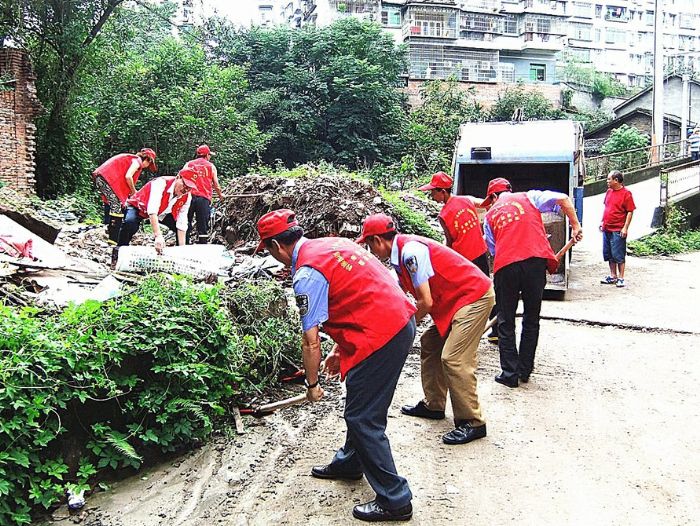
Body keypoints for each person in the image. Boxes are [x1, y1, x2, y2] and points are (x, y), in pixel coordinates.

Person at [256, 209, 416, 522]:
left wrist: (312, 384)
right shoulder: (332, 244)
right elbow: (356, 293)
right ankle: (349, 463)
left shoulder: (305, 275)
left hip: (382, 333)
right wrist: (340, 349)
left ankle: (395, 499)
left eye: (269, 250)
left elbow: (310, 341)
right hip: (394, 319)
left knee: (363, 416)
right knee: (359, 400)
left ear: (276, 246)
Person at [358, 213, 495, 446]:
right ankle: (434, 405)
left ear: (378, 241)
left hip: (473, 298)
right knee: (430, 343)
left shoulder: (411, 253)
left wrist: (403, 330)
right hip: (455, 301)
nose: (371, 250)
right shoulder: (398, 256)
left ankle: (472, 422)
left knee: (453, 358)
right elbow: (399, 296)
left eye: (369, 244)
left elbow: (425, 302)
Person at [481, 178, 583, 388]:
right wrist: (575, 225)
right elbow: (563, 198)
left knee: (505, 320)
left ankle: (510, 373)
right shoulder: (529, 197)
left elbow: (493, 250)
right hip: (536, 263)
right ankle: (525, 370)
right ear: (510, 190)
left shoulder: (490, 216)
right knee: (531, 318)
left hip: (506, 265)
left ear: (492, 196)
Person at [418, 171, 498, 343]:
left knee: (466, 293)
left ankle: (464, 325)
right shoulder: (466, 200)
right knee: (486, 287)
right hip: (480, 252)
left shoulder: (444, 215)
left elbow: (449, 241)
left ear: (443, 191)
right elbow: (486, 204)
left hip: (464, 259)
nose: (432, 196)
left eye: (433, 192)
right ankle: (496, 328)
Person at [117, 168, 197, 257]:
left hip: (162, 212)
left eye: (189, 188)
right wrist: (158, 236)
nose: (186, 189)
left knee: (187, 227)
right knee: (130, 223)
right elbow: (152, 210)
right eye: (185, 185)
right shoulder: (161, 183)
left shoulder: (187, 197)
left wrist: (182, 249)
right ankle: (119, 251)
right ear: (178, 177)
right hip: (139, 206)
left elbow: (181, 222)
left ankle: (179, 255)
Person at [92, 148, 157, 249]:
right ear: (147, 159)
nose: (146, 167)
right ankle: (113, 240)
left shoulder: (131, 159)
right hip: (106, 179)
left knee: (115, 205)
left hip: (103, 178)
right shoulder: (137, 161)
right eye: (149, 164)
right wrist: (134, 191)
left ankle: (110, 232)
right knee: (117, 208)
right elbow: (128, 176)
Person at [600, 170, 635, 288]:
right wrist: (602, 221)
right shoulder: (609, 192)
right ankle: (613, 275)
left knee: (618, 254)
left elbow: (630, 211)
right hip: (607, 227)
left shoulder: (626, 194)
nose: (607, 181)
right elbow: (607, 208)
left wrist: (625, 228)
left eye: (609, 179)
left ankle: (621, 277)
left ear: (616, 180)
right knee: (609, 253)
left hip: (618, 228)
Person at [183, 144, 225, 244]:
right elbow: (216, 184)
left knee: (186, 221)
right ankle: (203, 244)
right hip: (203, 198)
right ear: (207, 155)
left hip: (188, 197)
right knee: (203, 223)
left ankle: (184, 243)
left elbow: (180, 178)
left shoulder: (188, 164)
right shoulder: (211, 166)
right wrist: (220, 195)